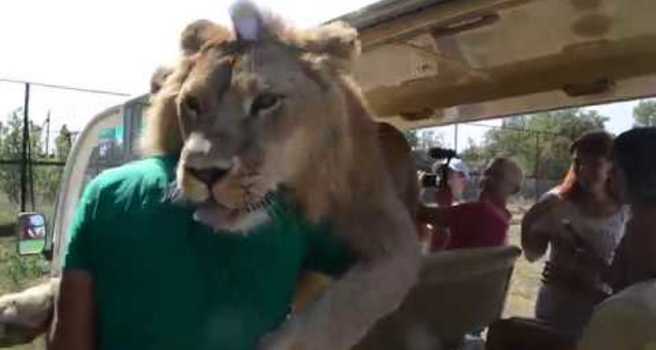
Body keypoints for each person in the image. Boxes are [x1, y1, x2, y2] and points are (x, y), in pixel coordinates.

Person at [521, 130, 627, 335]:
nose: (583, 171)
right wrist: (529, 221)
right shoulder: (557, 203)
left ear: (611, 167)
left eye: (594, 164)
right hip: (555, 309)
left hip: (601, 312)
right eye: (578, 163)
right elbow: (532, 254)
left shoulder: (625, 210)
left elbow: (628, 275)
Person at [579, 127, 656, 350]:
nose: (609, 175)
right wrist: (592, 261)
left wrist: (576, 284)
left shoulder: (642, 227)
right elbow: (622, 281)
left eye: (615, 168)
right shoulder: (635, 222)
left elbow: (630, 292)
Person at [418, 157, 523, 251]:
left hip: (447, 271)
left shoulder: (479, 211)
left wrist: (414, 185)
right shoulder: (502, 218)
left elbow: (420, 213)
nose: (487, 179)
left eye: (498, 176)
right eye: (487, 172)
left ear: (514, 189)